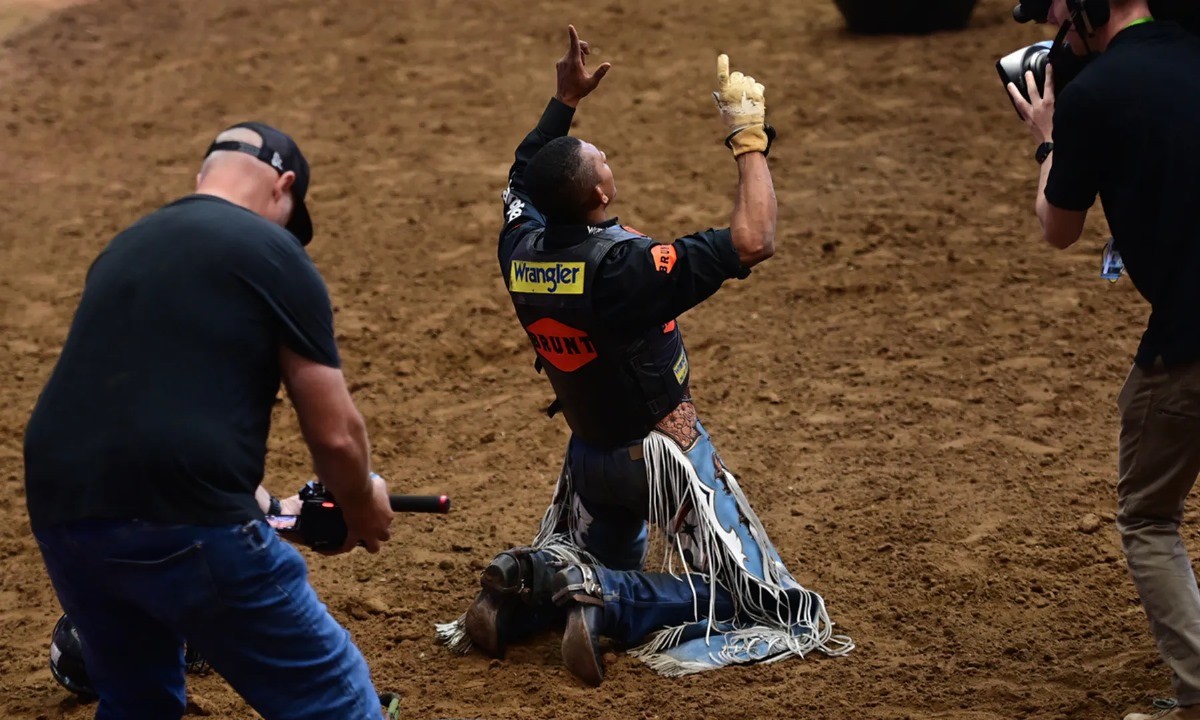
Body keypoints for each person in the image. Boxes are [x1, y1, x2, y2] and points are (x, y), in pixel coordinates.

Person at [436, 25, 851, 685]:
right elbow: (755, 238)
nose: (601, 151)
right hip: (661, 456)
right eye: (595, 154)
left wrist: (563, 102)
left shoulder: (520, 248)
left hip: (588, 461)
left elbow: (524, 169)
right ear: (599, 194)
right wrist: (748, 137)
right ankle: (611, 602)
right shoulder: (628, 268)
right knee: (760, 598)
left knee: (597, 558)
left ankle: (518, 595)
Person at [24, 122, 398, 720]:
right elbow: (333, 432)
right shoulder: (273, 252)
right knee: (336, 697)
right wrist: (359, 500)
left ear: (204, 176)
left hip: (65, 512)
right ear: (284, 186)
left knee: (137, 701)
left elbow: (136, 414)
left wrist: (275, 509)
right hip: (188, 514)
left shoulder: (125, 248)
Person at [1007, 1, 1200, 718]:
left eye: (1064, 18)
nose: (1059, 34)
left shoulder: (1097, 95)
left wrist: (1049, 141)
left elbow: (1057, 228)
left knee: (1149, 513)